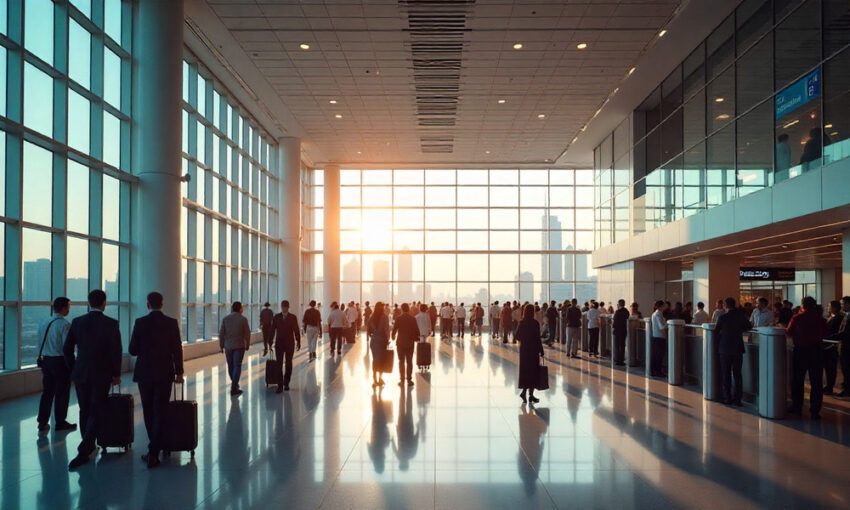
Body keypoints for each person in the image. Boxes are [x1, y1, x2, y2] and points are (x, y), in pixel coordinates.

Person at [64, 290, 122, 470]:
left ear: (89, 303)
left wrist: (74, 367)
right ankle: (85, 448)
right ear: (104, 303)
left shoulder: (77, 322)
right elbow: (115, 351)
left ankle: (87, 444)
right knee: (97, 410)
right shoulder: (111, 324)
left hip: (81, 373)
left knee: (84, 410)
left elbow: (67, 348)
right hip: (102, 374)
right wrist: (116, 374)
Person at [128, 291, 184, 468]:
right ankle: (155, 449)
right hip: (165, 373)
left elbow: (133, 350)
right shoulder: (171, 323)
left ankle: (154, 448)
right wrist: (179, 372)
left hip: (145, 373)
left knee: (148, 409)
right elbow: (177, 349)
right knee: (161, 408)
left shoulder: (140, 323)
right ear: (162, 303)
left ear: (147, 304)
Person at [37, 297, 76, 435]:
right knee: (62, 393)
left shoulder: (44, 322)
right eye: (69, 306)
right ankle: (60, 422)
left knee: (47, 392)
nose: (69, 309)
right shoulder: (65, 324)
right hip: (60, 362)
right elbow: (67, 348)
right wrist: (72, 364)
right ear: (64, 308)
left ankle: (42, 421)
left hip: (46, 361)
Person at [787, 296, 827, 419]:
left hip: (801, 351)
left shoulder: (797, 318)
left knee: (798, 380)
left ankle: (797, 407)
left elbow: (789, 332)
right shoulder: (820, 319)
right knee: (816, 382)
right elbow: (825, 334)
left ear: (803, 305)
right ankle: (815, 410)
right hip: (816, 352)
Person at [714, 297, 750, 406]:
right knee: (737, 374)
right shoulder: (740, 317)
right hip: (737, 348)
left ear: (725, 306)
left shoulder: (722, 317)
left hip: (724, 349)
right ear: (735, 305)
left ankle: (727, 398)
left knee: (726, 374)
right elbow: (748, 326)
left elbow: (716, 331)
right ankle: (737, 399)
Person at [219, 301, 251, 396]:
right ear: (240, 309)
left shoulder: (225, 319)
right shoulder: (243, 319)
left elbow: (221, 334)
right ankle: (234, 387)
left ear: (232, 308)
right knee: (237, 365)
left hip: (228, 346)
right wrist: (248, 344)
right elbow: (247, 334)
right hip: (239, 346)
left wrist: (221, 346)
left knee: (231, 366)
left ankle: (234, 385)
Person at [516, 305, 545, 404]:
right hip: (533, 350)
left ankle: (524, 392)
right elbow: (538, 338)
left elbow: (517, 336)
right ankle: (530, 395)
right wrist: (541, 351)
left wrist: (524, 340)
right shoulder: (535, 323)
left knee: (525, 372)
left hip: (524, 350)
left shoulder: (522, 323)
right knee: (533, 371)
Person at [272, 300, 301, 393]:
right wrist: (269, 341)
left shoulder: (293, 317)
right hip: (279, 344)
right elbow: (273, 329)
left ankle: (286, 382)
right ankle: (280, 385)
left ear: (288, 307)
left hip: (289, 343)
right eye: (283, 306)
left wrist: (298, 341)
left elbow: (296, 330)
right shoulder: (276, 317)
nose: (284, 308)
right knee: (279, 364)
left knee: (288, 363)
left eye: (285, 307)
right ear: (281, 307)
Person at [828, 296, 850, 397]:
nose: (841, 306)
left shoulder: (847, 316)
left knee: (847, 368)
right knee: (845, 369)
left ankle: (847, 390)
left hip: (847, 347)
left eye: (842, 304)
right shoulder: (846, 315)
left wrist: (829, 337)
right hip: (843, 346)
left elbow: (845, 333)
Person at [392, 303, 418, 387]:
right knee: (409, 361)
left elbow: (395, 329)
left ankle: (402, 379)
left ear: (402, 309)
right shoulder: (412, 318)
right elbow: (417, 330)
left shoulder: (398, 318)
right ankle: (409, 379)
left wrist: (393, 336)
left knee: (401, 361)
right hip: (410, 342)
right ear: (408, 309)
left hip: (400, 342)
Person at [367, 302, 391, 387]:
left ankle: (374, 380)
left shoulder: (371, 318)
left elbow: (369, 331)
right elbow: (386, 330)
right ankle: (380, 378)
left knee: (375, 360)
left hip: (374, 341)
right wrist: (388, 339)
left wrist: (373, 335)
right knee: (381, 360)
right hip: (382, 340)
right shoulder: (385, 317)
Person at [823, 300, 843, 396]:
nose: (828, 308)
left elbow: (834, 331)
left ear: (834, 308)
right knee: (828, 367)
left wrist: (827, 337)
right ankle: (828, 385)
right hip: (827, 345)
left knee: (831, 367)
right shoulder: (830, 317)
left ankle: (830, 386)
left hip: (832, 345)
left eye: (829, 306)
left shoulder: (838, 318)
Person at [649, 300, 667, 377]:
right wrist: (668, 324)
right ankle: (657, 371)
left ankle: (654, 371)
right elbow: (661, 327)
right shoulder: (657, 315)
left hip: (656, 337)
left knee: (656, 355)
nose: (665, 307)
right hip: (659, 337)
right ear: (661, 306)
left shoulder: (657, 314)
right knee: (658, 355)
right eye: (664, 305)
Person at [612, 299, 629, 366]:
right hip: (623, 330)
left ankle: (617, 360)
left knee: (616, 346)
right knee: (622, 346)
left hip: (617, 331)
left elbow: (614, 322)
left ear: (619, 304)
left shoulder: (617, 312)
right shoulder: (626, 311)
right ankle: (621, 360)